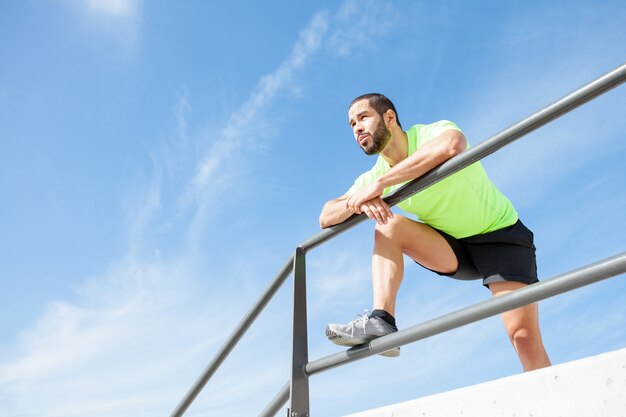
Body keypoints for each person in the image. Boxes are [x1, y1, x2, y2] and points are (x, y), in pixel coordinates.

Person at [319, 93, 551, 371]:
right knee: (388, 226)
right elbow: (326, 216)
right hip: (452, 247)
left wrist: (381, 185)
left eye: (363, 117)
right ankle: (382, 320)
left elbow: (454, 144)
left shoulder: (429, 133)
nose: (357, 128)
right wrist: (355, 201)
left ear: (389, 117)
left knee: (523, 339)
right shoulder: (372, 176)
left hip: (500, 238)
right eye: (352, 124)